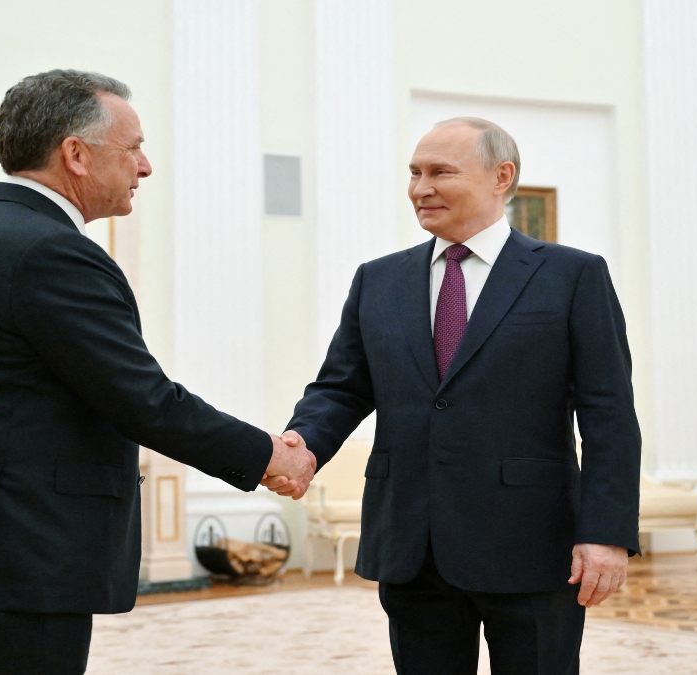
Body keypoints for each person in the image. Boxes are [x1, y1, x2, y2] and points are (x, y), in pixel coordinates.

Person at [0, 69, 316, 675]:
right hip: (16, 556)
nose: (144, 167)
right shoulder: (49, 251)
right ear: (77, 155)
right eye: (134, 147)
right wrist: (269, 454)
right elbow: (143, 399)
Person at [267, 118, 641, 674]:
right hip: (413, 544)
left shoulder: (572, 276)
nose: (421, 188)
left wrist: (606, 534)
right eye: (414, 173)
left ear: (501, 177)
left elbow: (609, 414)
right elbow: (341, 387)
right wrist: (304, 443)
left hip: (533, 544)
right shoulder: (378, 280)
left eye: (440, 172)